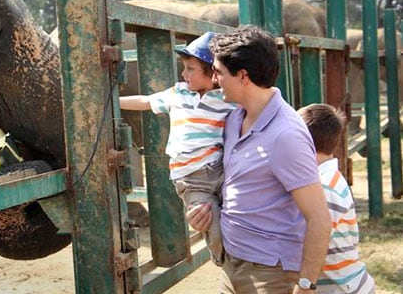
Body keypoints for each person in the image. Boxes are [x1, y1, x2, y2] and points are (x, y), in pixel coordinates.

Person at [187, 26, 332, 293]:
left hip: (272, 274)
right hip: (232, 267)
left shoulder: (285, 136)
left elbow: (319, 218)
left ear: (243, 76)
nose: (215, 80)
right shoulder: (234, 119)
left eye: (218, 72)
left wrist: (306, 283)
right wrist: (206, 213)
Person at [120, 31, 235, 266]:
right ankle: (228, 266)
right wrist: (114, 101)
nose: (184, 74)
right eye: (184, 68)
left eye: (190, 69)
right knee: (211, 225)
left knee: (238, 219)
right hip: (192, 179)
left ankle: (246, 261)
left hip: (222, 172)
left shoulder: (227, 99)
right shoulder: (178, 93)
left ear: (214, 73)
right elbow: (146, 101)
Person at [297, 103, 376, 294]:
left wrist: (305, 285)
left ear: (303, 141)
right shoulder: (328, 177)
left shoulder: (322, 188)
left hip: (340, 288)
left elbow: (316, 239)